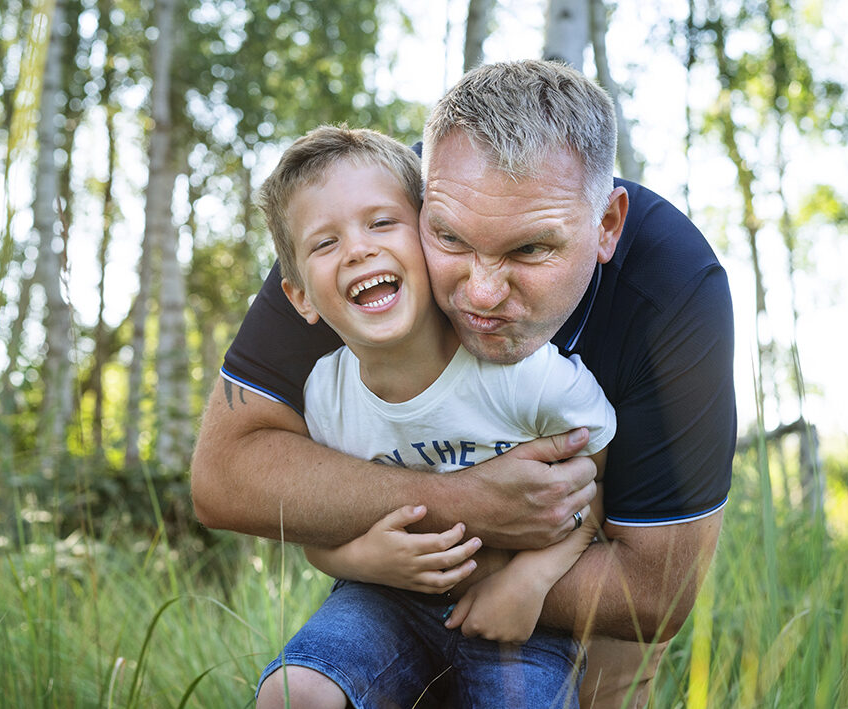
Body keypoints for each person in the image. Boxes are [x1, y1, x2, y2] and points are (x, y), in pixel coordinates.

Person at [191, 59, 736, 708]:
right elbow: (228, 475)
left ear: (607, 226)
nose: (480, 294)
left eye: (530, 249)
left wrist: (514, 573)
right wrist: (460, 504)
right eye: (449, 238)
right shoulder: (363, 220)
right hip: (391, 587)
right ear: (426, 200)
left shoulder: (674, 292)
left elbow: (652, 594)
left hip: (570, 588)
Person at [249, 125, 617, 708]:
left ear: (430, 240)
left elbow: (594, 486)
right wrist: (360, 560)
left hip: (520, 610)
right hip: (382, 599)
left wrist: (533, 580)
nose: (358, 250)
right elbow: (318, 533)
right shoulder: (324, 396)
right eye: (324, 243)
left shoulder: (521, 372)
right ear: (300, 297)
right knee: (295, 691)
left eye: (381, 223)